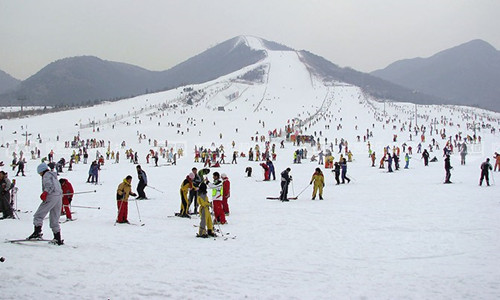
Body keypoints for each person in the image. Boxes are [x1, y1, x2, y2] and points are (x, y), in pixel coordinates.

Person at [28, 163, 63, 245]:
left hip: (51, 196)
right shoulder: (54, 176)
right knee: (54, 218)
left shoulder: (46, 175)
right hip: (59, 196)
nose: (40, 175)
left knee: (38, 215)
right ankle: (57, 238)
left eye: (39, 173)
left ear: (42, 171)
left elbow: (49, 186)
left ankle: (37, 233)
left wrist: (45, 193)